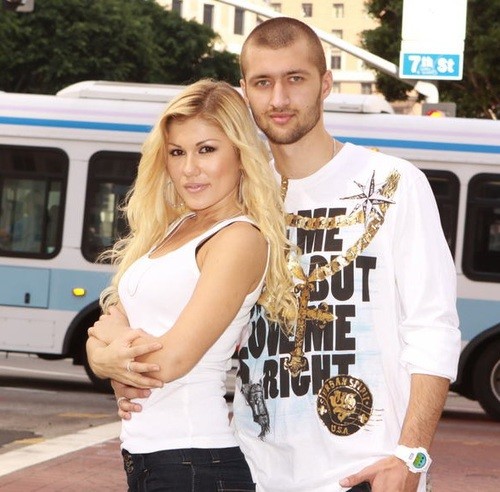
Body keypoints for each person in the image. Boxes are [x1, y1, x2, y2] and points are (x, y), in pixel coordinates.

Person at [96, 17, 461, 492]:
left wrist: (411, 455)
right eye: (263, 83)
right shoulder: (236, 192)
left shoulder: (392, 182)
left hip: (365, 470)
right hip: (256, 468)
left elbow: (432, 328)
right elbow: (157, 297)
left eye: (295, 79)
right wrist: (110, 360)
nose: (279, 99)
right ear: (245, 92)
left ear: (325, 83)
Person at [86, 79, 297, 492]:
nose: (189, 169)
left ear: (240, 154)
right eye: (177, 152)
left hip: (194, 462)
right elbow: (104, 326)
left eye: (207, 150)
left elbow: (170, 361)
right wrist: (103, 360)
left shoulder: (239, 238)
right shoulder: (175, 227)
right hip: (152, 459)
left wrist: (110, 355)